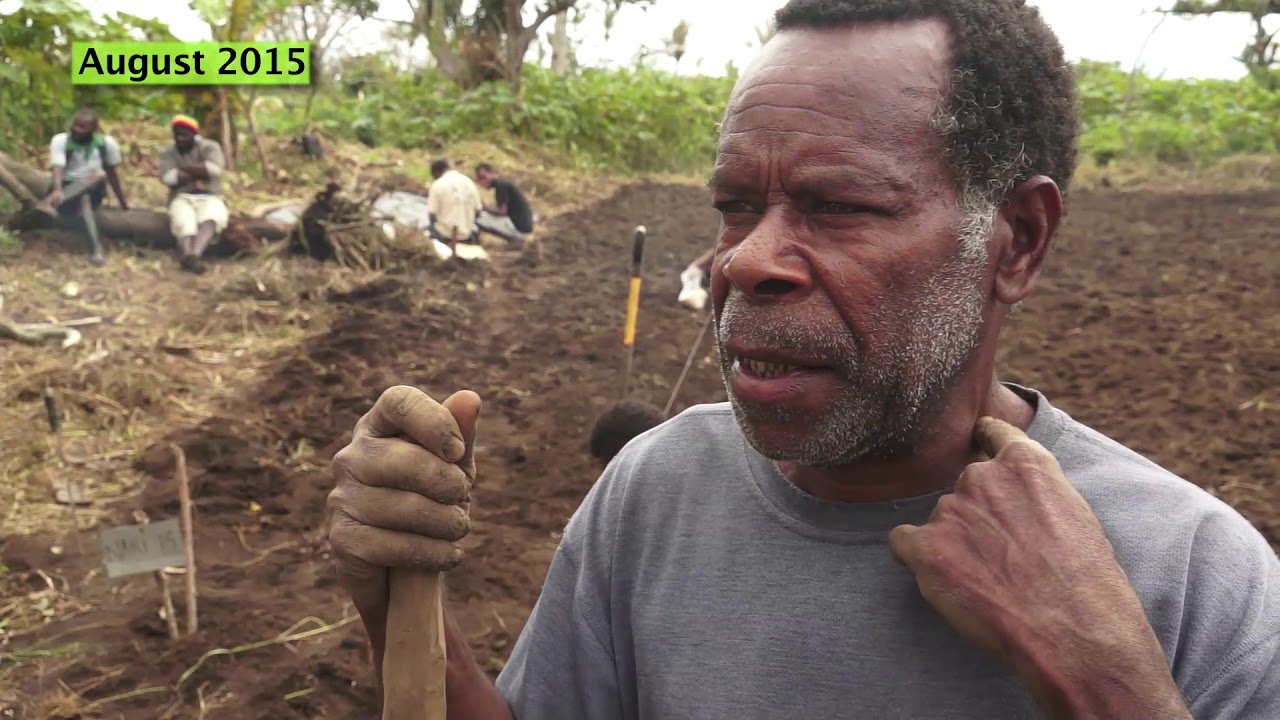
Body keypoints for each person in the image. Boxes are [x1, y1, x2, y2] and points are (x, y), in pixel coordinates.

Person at [327, 1, 1280, 718]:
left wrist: (1104, 680)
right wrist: (398, 606)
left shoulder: (1193, 576)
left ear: (1018, 240)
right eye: (738, 205)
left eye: (841, 207)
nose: (744, 260)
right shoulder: (654, 492)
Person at [43, 108, 129, 266]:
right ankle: (96, 249)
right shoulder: (61, 141)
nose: (77, 129)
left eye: (82, 127)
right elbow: (58, 168)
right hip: (65, 191)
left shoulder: (106, 144)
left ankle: (48, 204)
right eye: (75, 125)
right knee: (84, 199)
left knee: (98, 177)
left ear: (93, 129)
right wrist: (57, 189)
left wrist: (123, 203)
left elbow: (112, 175)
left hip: (95, 189)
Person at [157, 114, 229, 275]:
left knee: (212, 217)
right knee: (184, 221)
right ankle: (189, 255)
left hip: (210, 195)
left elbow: (214, 170)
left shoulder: (210, 147)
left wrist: (184, 169)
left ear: (194, 134)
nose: (180, 138)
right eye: (177, 134)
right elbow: (169, 178)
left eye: (184, 135)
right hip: (181, 196)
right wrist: (199, 171)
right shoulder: (168, 152)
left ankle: (193, 256)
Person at [426, 158, 483, 256]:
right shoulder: (469, 182)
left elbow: (432, 215)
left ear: (436, 173)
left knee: (427, 231)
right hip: (467, 234)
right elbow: (478, 212)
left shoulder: (438, 184)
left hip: (445, 234)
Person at [473, 163, 535, 247]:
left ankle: (514, 240)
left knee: (478, 219)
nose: (482, 182)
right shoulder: (504, 183)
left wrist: (484, 207)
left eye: (483, 178)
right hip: (524, 226)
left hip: (520, 228)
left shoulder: (501, 186)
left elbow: (502, 212)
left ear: (492, 173)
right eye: (479, 179)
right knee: (483, 216)